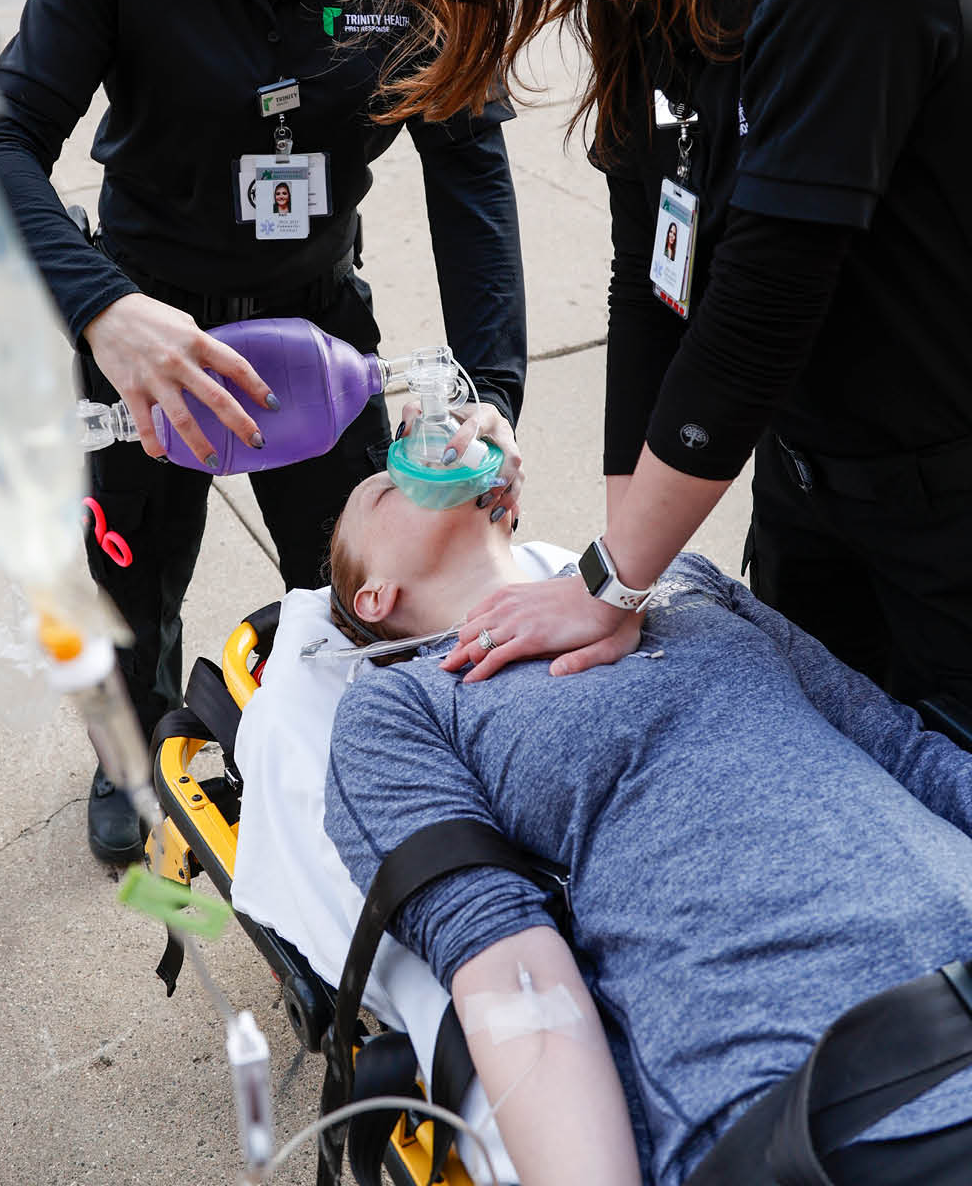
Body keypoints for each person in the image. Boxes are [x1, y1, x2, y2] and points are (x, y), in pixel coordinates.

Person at [0, 0, 526, 864]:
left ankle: (321, 747)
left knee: (356, 587)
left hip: (313, 326)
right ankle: (137, 749)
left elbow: (470, 177)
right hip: (145, 329)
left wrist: (490, 391)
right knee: (129, 584)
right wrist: (97, 311)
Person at [374, 0, 972, 728]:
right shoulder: (645, 0)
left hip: (948, 516)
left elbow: (758, 305)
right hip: (808, 497)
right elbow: (644, 289)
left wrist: (609, 577)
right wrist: (616, 583)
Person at [323, 469, 972, 1182]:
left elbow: (901, 748)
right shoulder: (401, 704)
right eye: (388, 489)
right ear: (375, 595)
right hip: (827, 1097)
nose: (430, 459)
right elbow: (509, 967)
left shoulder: (679, 579)